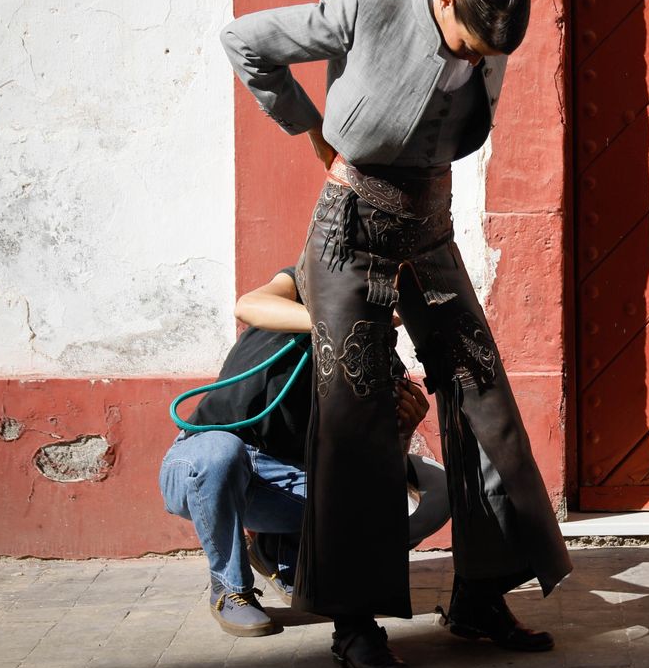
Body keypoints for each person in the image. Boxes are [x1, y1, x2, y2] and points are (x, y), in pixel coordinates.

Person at [222, 0, 572, 668]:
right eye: (472, 48)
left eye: (489, 57)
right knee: (358, 418)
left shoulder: (490, 35)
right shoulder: (363, 6)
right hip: (347, 235)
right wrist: (312, 132)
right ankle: (354, 623)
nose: (479, 63)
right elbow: (245, 38)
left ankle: (480, 596)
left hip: (431, 231)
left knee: (485, 399)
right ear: (446, 0)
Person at [159, 267, 448, 640]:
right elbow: (248, 304)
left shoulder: (382, 361)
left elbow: (372, 463)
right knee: (221, 453)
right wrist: (338, 323)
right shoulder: (299, 290)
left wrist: (404, 431)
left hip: (287, 478)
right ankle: (229, 588)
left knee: (433, 491)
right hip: (206, 462)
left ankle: (282, 553)